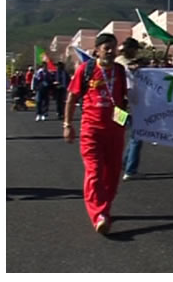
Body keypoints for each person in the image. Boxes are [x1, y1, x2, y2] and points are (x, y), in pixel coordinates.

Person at [63, 33, 128, 234]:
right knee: (94, 172)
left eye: (113, 48)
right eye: (106, 48)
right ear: (97, 50)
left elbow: (125, 98)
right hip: (91, 131)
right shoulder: (86, 69)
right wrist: (67, 124)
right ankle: (99, 214)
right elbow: (72, 98)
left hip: (115, 131)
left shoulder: (120, 71)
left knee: (112, 174)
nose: (110, 51)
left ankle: (104, 207)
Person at [117, 38, 144, 181]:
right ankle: (130, 169)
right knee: (137, 136)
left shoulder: (118, 62)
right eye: (135, 49)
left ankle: (125, 163)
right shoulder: (123, 64)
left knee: (133, 135)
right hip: (127, 107)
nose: (136, 52)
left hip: (119, 108)